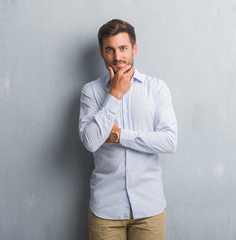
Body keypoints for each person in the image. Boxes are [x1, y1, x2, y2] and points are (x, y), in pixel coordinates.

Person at [78, 19, 178, 240]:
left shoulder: (157, 88)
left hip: (149, 209)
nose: (117, 57)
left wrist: (119, 135)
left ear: (134, 48)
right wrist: (114, 95)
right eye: (110, 50)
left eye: (123, 48)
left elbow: (169, 141)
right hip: (106, 210)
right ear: (101, 53)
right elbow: (91, 141)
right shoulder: (91, 92)